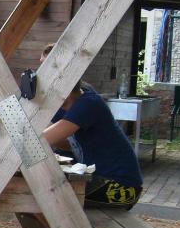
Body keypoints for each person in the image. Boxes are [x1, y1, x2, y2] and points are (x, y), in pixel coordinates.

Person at [43, 69, 143, 210]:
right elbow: (59, 142)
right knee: (42, 187)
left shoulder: (88, 104)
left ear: (65, 90)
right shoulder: (75, 99)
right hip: (105, 180)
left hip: (122, 187)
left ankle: (62, 226)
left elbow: (42, 140)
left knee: (46, 191)